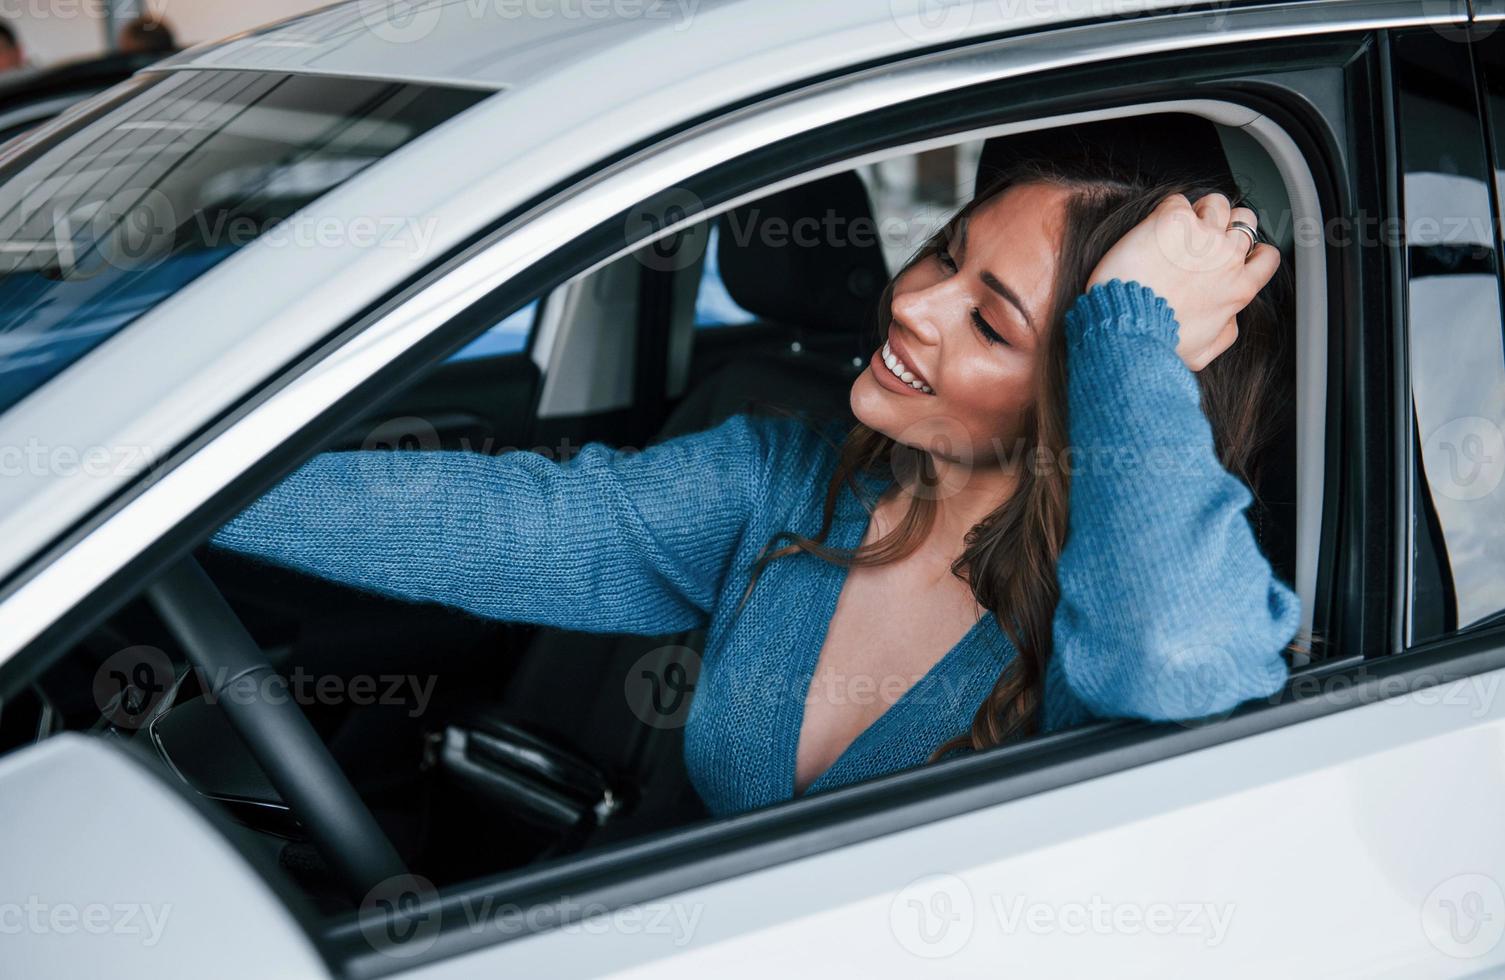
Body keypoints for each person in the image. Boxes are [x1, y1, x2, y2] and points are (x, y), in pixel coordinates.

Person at [209, 151, 1306, 818]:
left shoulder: (1116, 602)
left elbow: (1179, 660)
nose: (910, 303)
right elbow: (511, 523)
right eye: (941, 254)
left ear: (1092, 388)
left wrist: (1131, 330)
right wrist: (179, 488)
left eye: (987, 318)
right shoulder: (783, 484)